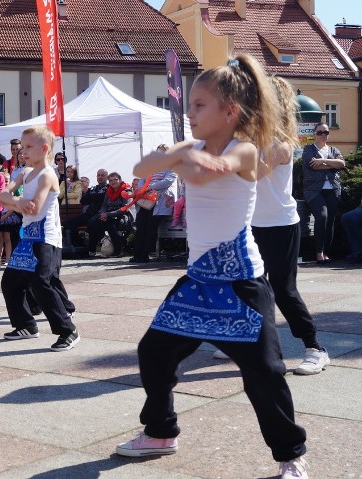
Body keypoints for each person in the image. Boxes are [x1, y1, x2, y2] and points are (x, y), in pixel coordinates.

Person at [114, 54, 309, 479]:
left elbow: (211, 172)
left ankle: (290, 455)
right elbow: (138, 170)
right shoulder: (193, 147)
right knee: (153, 353)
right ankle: (161, 432)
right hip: (198, 281)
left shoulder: (245, 149)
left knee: (265, 373)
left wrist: (178, 154)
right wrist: (176, 153)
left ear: (230, 111)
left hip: (241, 284)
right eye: (191, 104)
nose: (190, 112)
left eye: (200, 105)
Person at [219, 76, 328, 376]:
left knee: (283, 290)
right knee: (246, 285)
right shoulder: (248, 138)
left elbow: (251, 175)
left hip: (281, 225)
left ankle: (315, 349)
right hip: (252, 225)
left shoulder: (281, 144)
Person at [0, 125, 79, 350]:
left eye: (28, 147)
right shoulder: (24, 172)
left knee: (41, 282)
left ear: (44, 149)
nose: (23, 151)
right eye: (22, 147)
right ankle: (26, 325)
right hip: (28, 239)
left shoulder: (48, 175)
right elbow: (1, 196)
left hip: (46, 238)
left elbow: (34, 209)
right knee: (10, 283)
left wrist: (15, 202)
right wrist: (18, 202)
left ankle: (67, 330)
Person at [302, 122, 344, 264]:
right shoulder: (308, 149)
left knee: (330, 219)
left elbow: (341, 164)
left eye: (325, 132)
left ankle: (326, 251)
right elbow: (312, 166)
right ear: (314, 134)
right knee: (322, 217)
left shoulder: (333, 149)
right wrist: (332, 165)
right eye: (320, 132)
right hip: (314, 191)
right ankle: (319, 252)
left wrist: (323, 161)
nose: (323, 135)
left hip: (333, 189)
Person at [130, 146, 177, 263]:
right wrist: (142, 188)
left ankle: (145, 254)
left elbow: (167, 181)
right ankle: (137, 254)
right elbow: (142, 179)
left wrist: (151, 187)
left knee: (151, 226)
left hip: (160, 200)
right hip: (146, 199)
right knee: (141, 226)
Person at [87, 172, 131, 256]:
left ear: (120, 180)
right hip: (108, 214)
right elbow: (104, 205)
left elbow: (124, 209)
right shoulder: (109, 191)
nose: (113, 182)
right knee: (92, 221)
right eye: (110, 180)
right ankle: (95, 247)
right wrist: (102, 214)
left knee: (109, 222)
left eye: (115, 179)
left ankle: (118, 249)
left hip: (123, 216)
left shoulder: (126, 191)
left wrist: (108, 215)